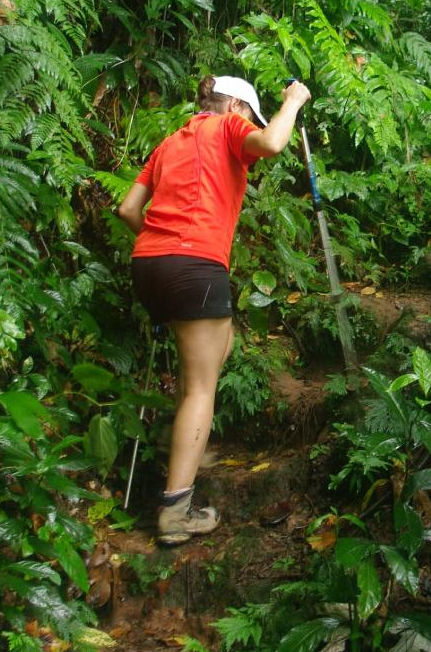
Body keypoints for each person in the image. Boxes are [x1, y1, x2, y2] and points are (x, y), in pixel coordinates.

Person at [116, 75, 311, 545]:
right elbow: (273, 142)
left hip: (147, 264)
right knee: (203, 388)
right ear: (237, 107)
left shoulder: (168, 143)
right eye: (248, 115)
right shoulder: (226, 126)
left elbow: (126, 210)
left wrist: (164, 243)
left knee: (217, 347)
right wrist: (294, 101)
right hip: (196, 265)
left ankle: (183, 440)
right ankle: (176, 511)